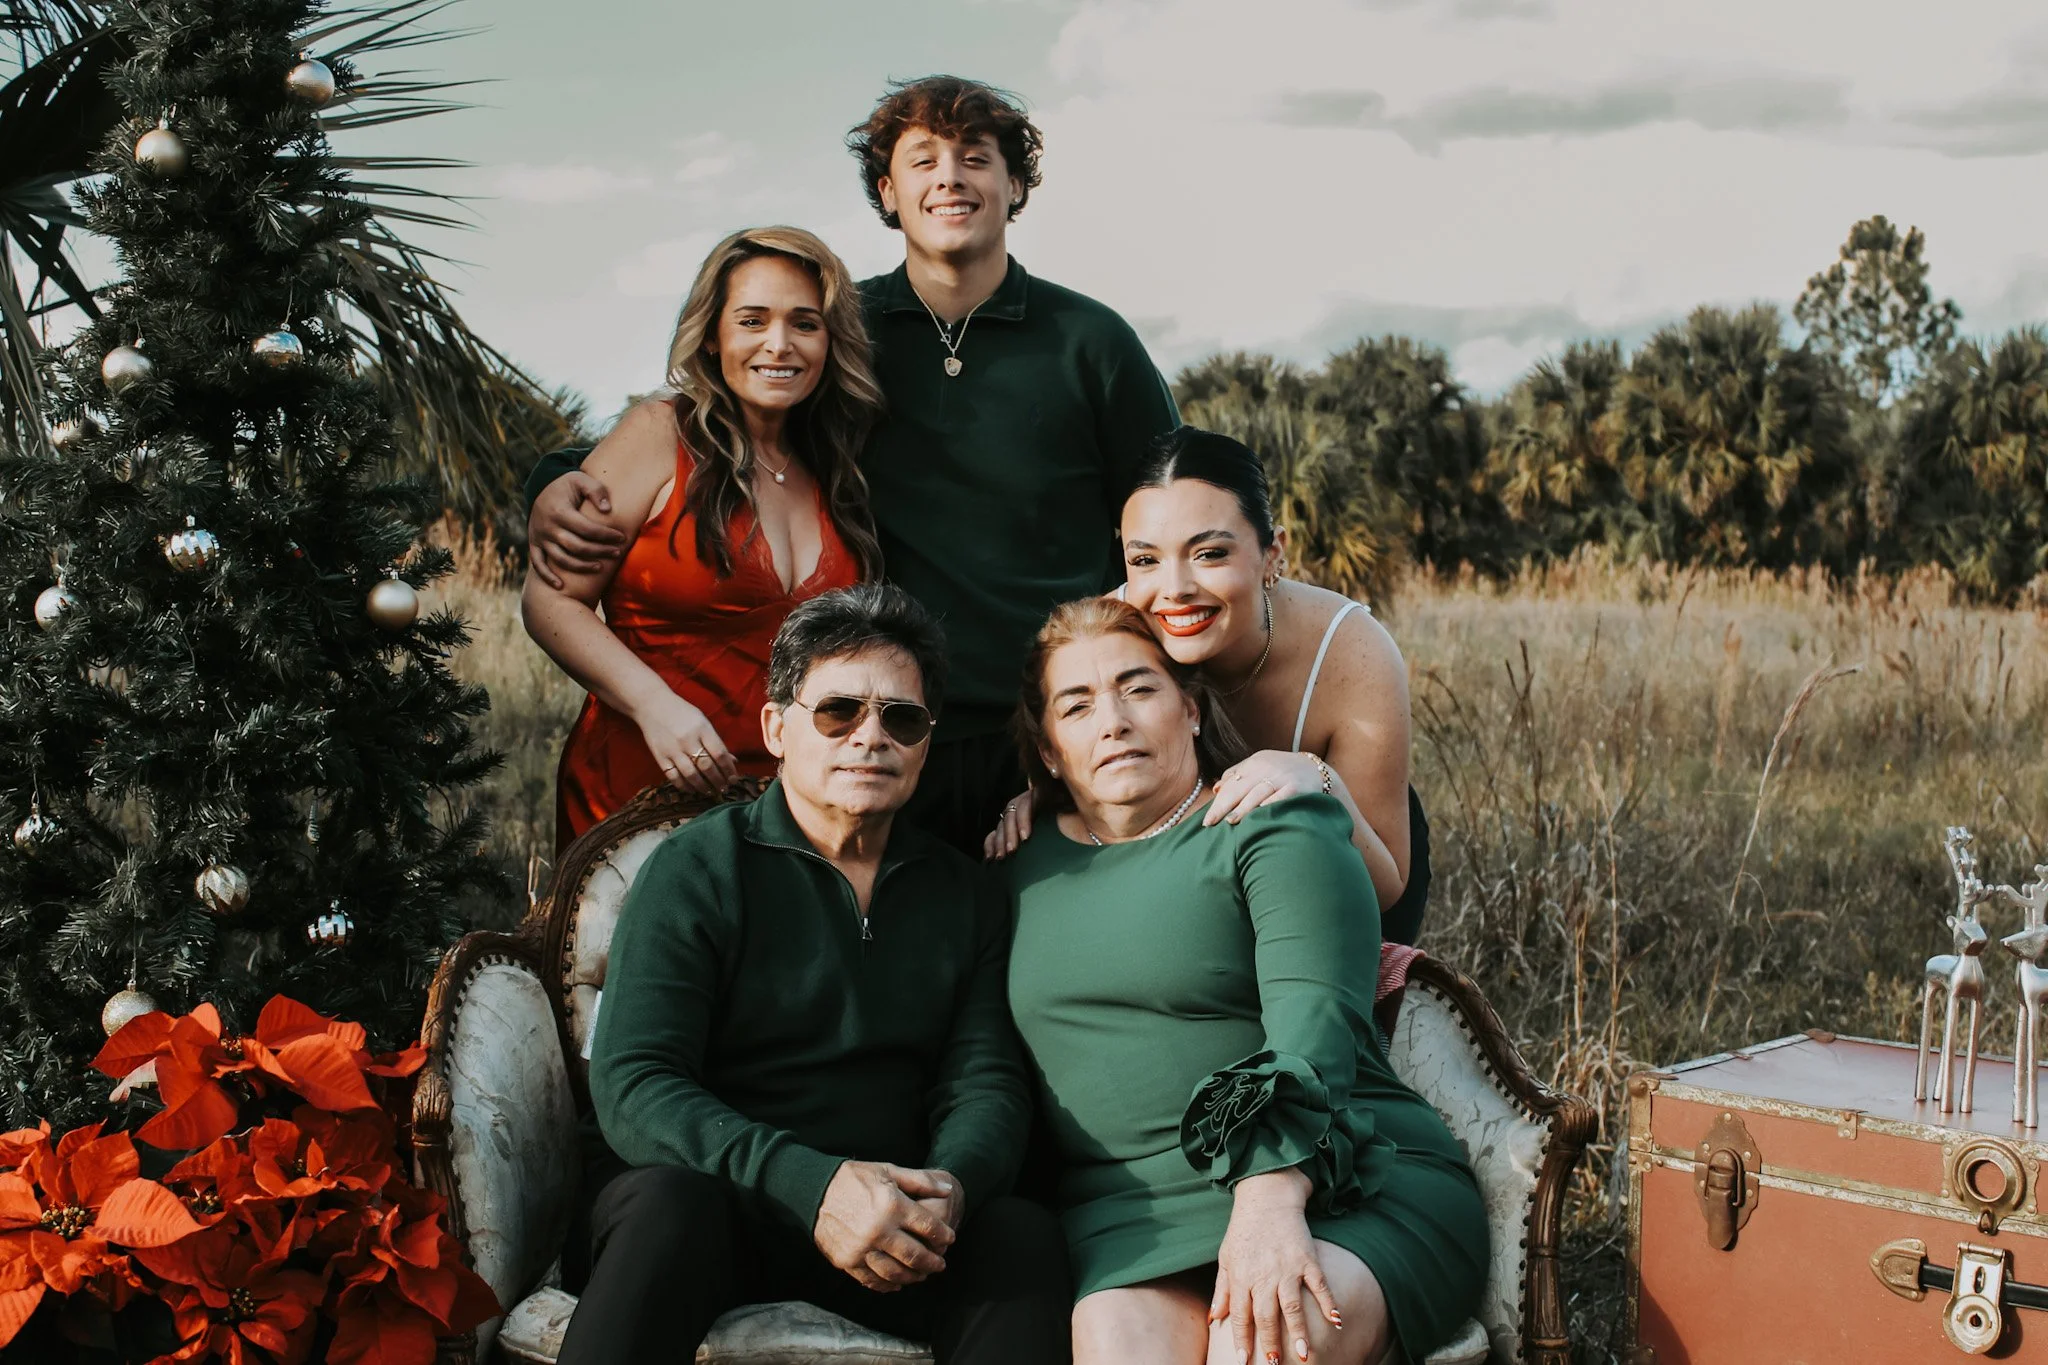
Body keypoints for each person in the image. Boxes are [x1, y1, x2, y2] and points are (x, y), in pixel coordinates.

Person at [523, 76, 1179, 853]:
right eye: (924, 159)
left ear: (1015, 185)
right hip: (885, 731)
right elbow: (709, 412)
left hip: (1049, 735)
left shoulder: (1092, 343)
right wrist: (554, 481)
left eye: (975, 158)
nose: (950, 178)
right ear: (887, 190)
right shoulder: (841, 326)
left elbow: (1175, 512)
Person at [558, 584, 1071, 1364]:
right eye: (838, 711)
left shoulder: (965, 893)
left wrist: (947, 1192)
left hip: (896, 1219)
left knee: (1019, 1234)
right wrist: (814, 1186)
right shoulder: (697, 869)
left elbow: (986, 1081)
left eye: (901, 718)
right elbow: (636, 1082)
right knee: (668, 1207)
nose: (871, 736)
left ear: (926, 744)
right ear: (777, 726)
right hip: (719, 1204)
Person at [1003, 597, 1485, 1365]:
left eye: (1139, 687)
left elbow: (1314, 1030)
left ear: (1190, 709)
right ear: (1051, 751)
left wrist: (1270, 1195)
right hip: (1135, 1214)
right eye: (1077, 704)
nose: (1114, 720)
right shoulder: (1016, 865)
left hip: (1338, 1179)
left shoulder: (1271, 824)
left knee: (1257, 1350)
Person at [986, 426, 1430, 946]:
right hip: (1199, 874)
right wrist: (1048, 792)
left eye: (1210, 554)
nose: (1174, 591)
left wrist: (1316, 777)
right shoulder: (1114, 628)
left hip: (1346, 860)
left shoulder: (1352, 650)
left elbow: (1387, 886)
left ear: (1272, 554)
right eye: (1146, 560)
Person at [522, 226, 881, 849]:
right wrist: (654, 707)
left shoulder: (836, 469)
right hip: (643, 789)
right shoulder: (660, 434)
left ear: (830, 341)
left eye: (804, 323)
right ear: (712, 336)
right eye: (751, 320)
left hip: (787, 807)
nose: (779, 344)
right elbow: (548, 600)